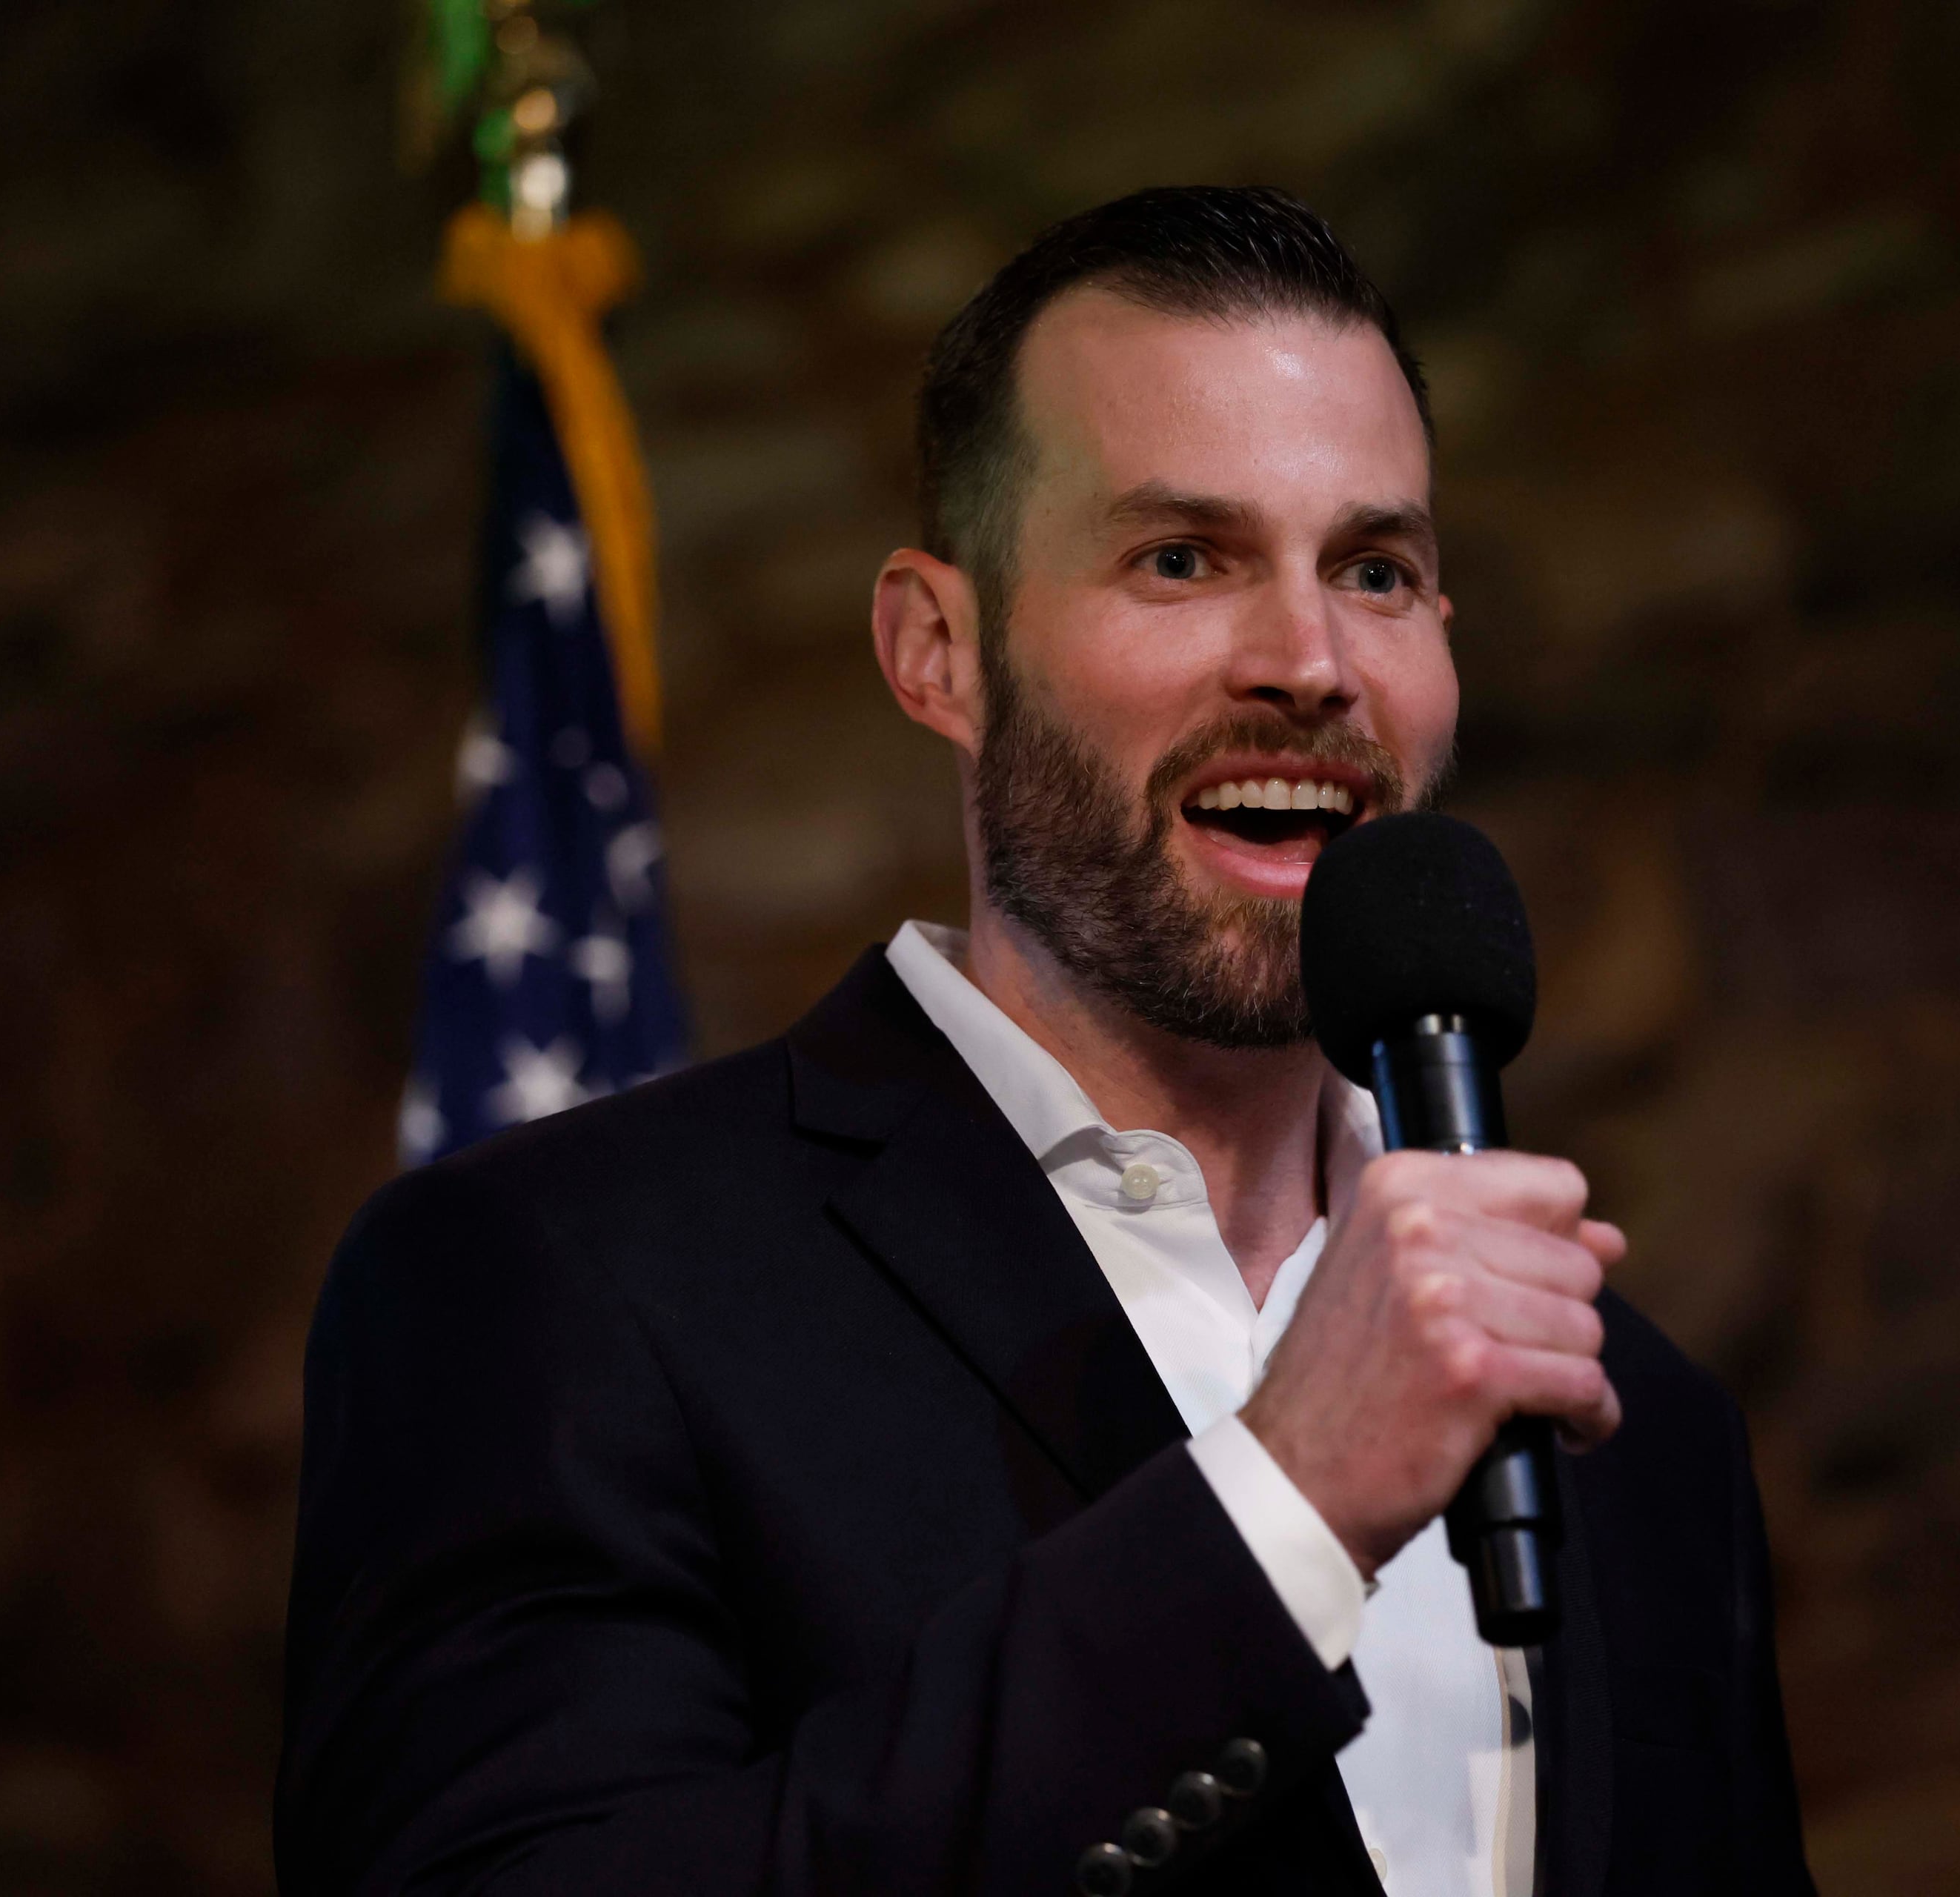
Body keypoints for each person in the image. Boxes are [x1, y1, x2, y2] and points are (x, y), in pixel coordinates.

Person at [276, 185, 1813, 1897]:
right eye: (1183, 559)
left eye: (1375, 570)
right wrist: (1281, 1504)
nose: (1310, 661)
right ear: (940, 650)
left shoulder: (1634, 1421)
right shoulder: (555, 1280)